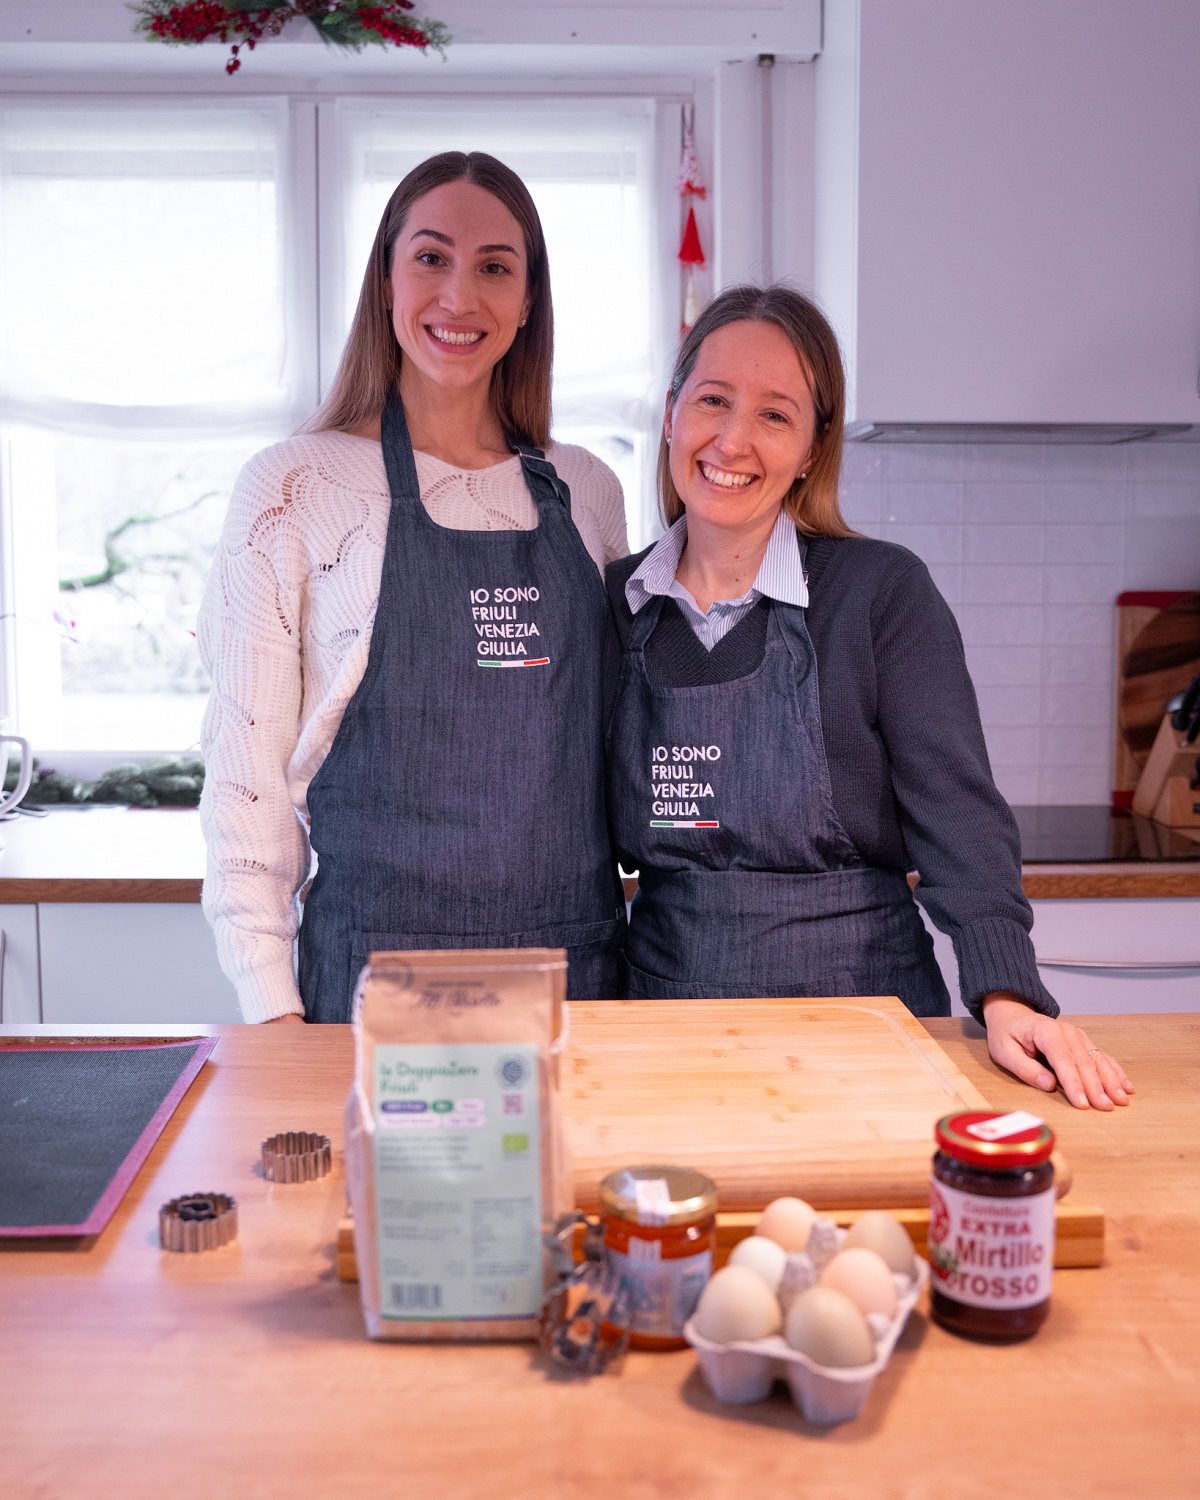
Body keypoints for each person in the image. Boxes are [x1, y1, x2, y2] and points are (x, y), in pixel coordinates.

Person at [605, 284, 1132, 1110]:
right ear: (672, 413)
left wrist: (1007, 993)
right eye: (712, 400)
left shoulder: (879, 592)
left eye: (775, 415)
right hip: (666, 1030)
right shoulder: (615, 605)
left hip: (866, 1025)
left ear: (813, 448)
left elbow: (957, 813)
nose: (733, 439)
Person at [199, 151, 628, 1023]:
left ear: (528, 300)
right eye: (431, 257)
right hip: (374, 990)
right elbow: (246, 776)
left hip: (576, 979)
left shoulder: (588, 490)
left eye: (495, 267)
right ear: (386, 280)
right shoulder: (295, 487)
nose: (459, 297)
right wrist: (271, 1006)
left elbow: (620, 741)